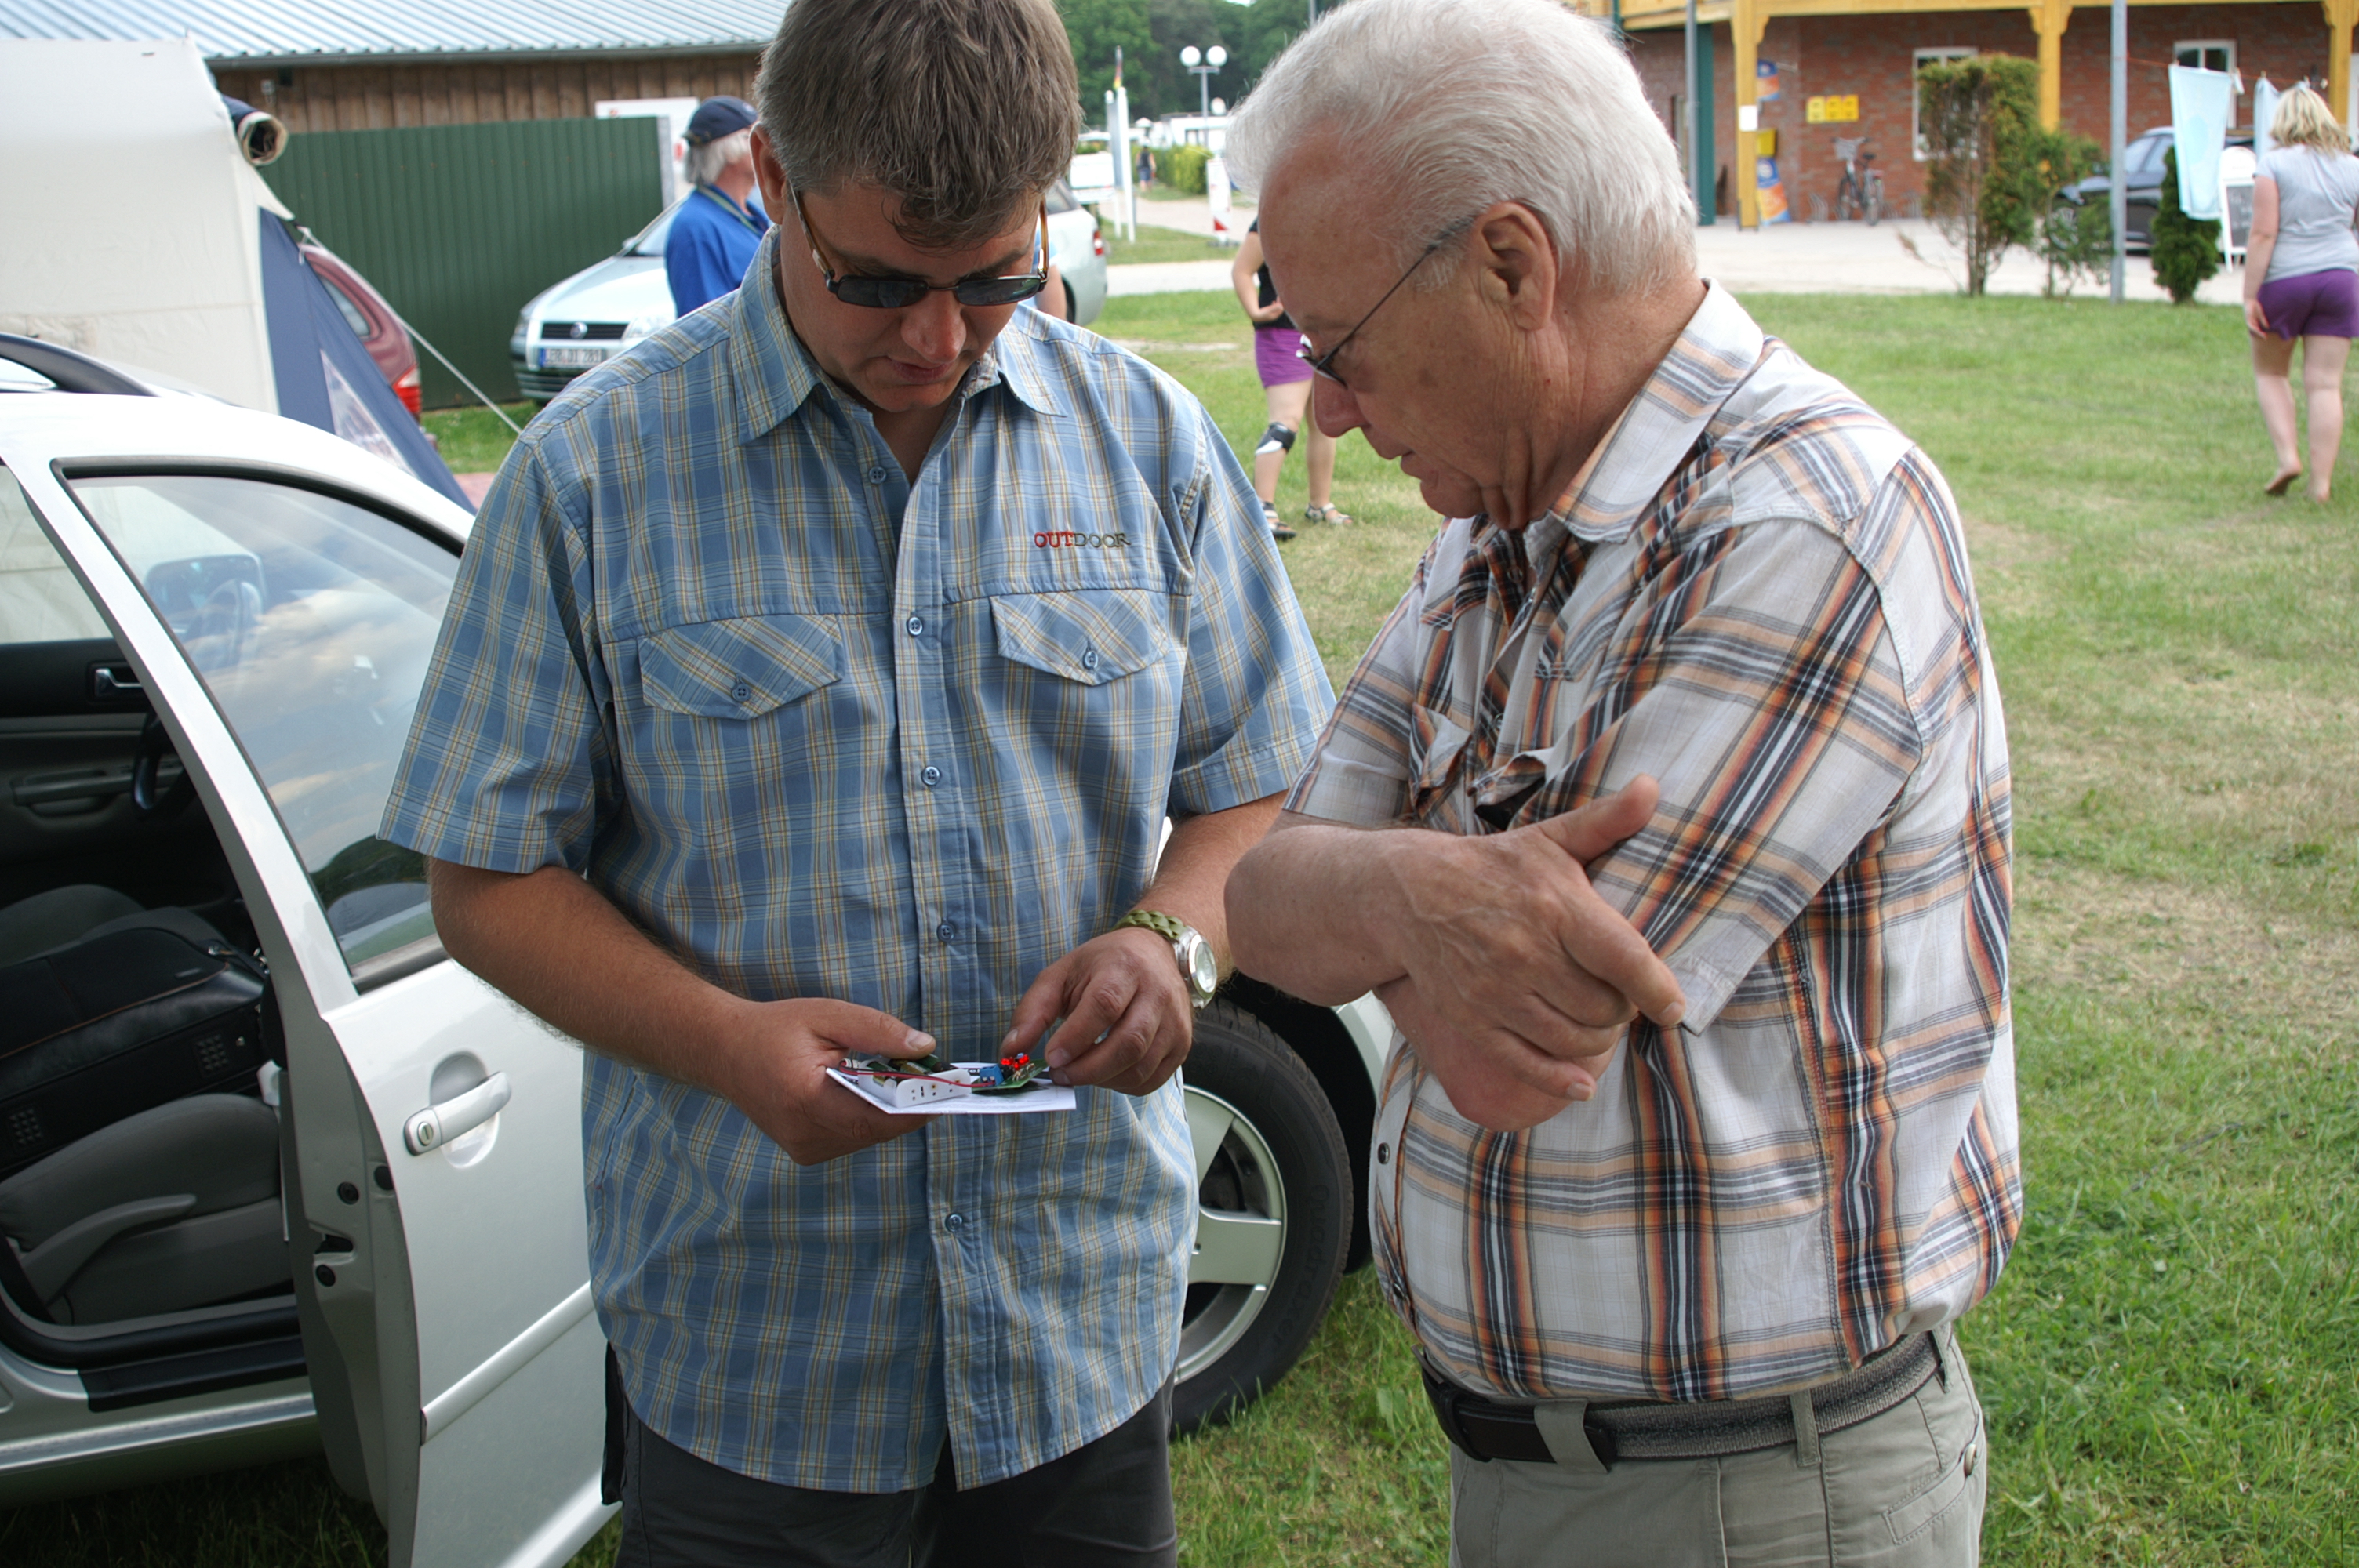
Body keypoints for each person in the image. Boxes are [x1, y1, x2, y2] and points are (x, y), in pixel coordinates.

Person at [379, 0, 1332, 1562]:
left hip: (1077, 1331)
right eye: (880, 282)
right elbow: (484, 877)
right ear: (769, 179)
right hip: (754, 1350)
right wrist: (726, 1046)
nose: (938, 339)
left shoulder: (1148, 444)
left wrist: (1173, 941)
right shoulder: (592, 474)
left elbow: (1259, 779)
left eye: (996, 279)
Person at [1223, 2, 2019, 1563]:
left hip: (1747, 1498)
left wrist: (1375, 893)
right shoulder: (1498, 519)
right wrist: (1415, 896)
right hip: (1566, 1469)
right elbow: (1263, 906)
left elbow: (1524, 1043)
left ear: (1511, 268)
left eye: (1343, 348)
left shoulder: (1802, 526)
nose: (1329, 408)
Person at [2243, 82, 2359, 502]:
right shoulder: (2353, 166)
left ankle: (2288, 458)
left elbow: (2264, 233)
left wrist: (2249, 295)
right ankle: (2321, 486)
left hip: (2287, 278)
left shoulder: (2273, 165)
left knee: (2271, 373)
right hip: (2341, 278)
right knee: (2325, 385)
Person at [1232, 218, 1353, 541]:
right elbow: (1242, 270)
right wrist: (1255, 311)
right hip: (1282, 332)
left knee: (1324, 420)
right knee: (1285, 421)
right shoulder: (1271, 219)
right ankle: (1261, 509)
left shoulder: (1332, 214)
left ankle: (1319, 504)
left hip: (1324, 331)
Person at [663, 95, 772, 316]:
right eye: (755, 137)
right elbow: (704, 324)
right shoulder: (695, 228)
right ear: (729, 151)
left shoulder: (752, 214)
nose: (768, 147)